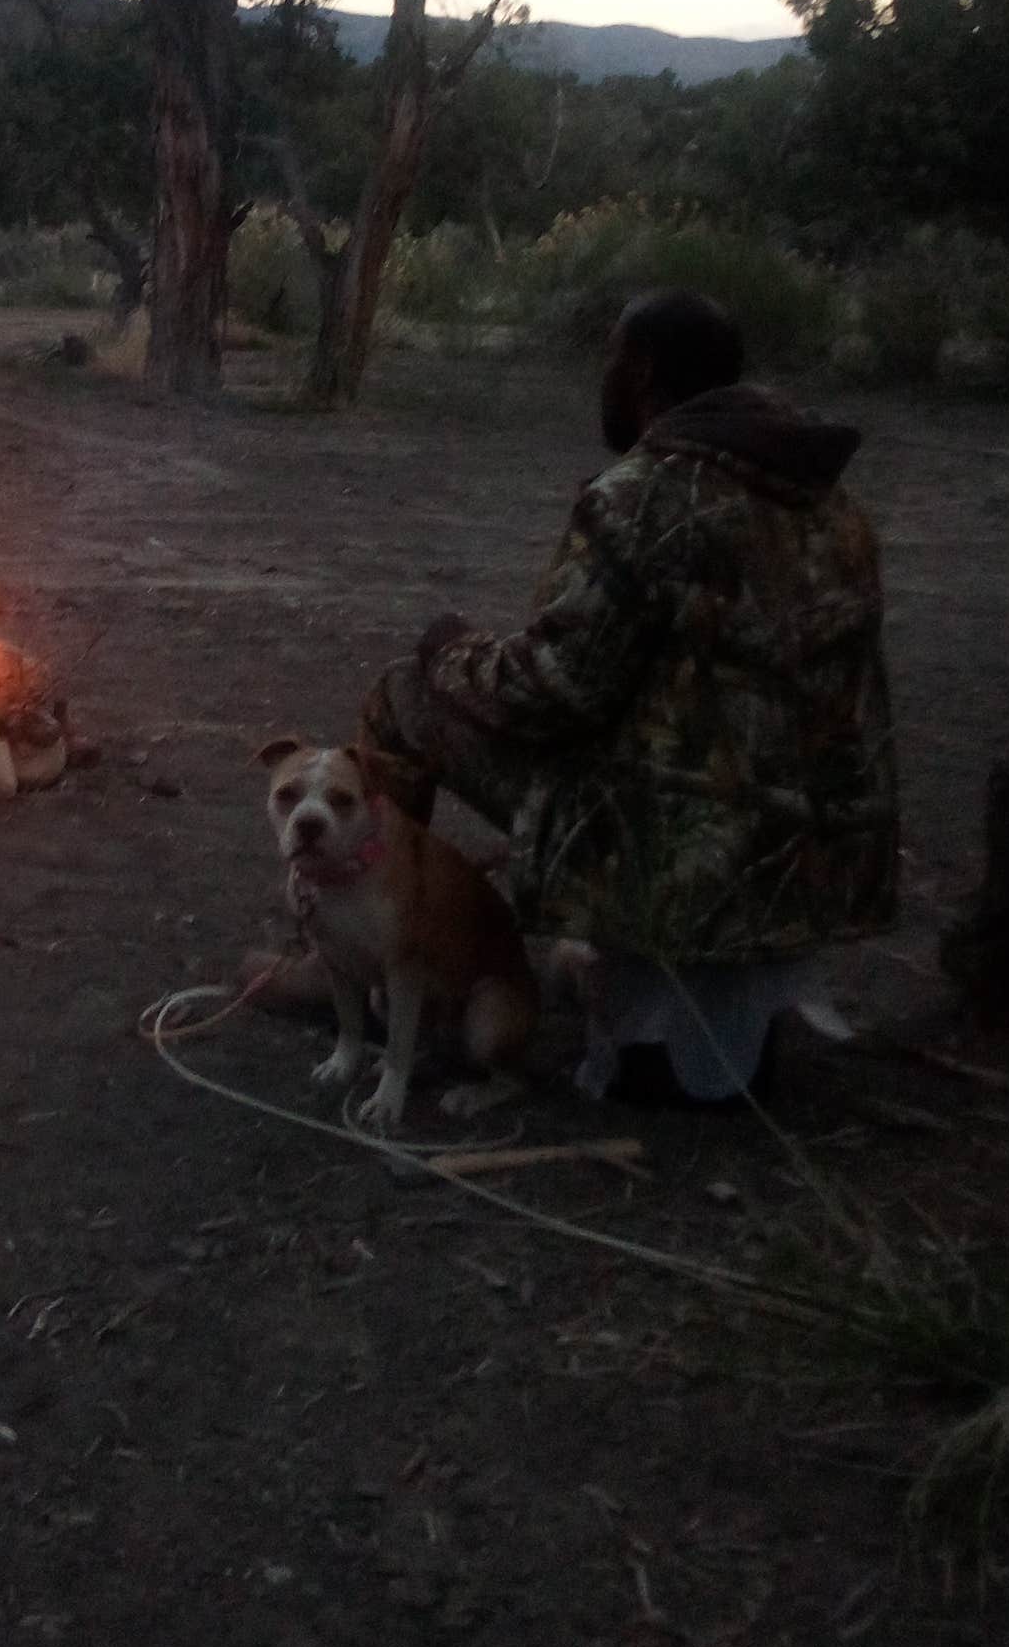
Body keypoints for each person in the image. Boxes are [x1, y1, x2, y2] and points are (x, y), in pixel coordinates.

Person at [362, 289, 898, 1101]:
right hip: (810, 861)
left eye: (610, 360)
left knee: (405, 694)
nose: (602, 379)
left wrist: (452, 649)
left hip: (679, 859)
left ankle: (372, 971)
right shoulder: (830, 504)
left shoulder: (646, 495)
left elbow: (557, 690)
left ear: (641, 372)